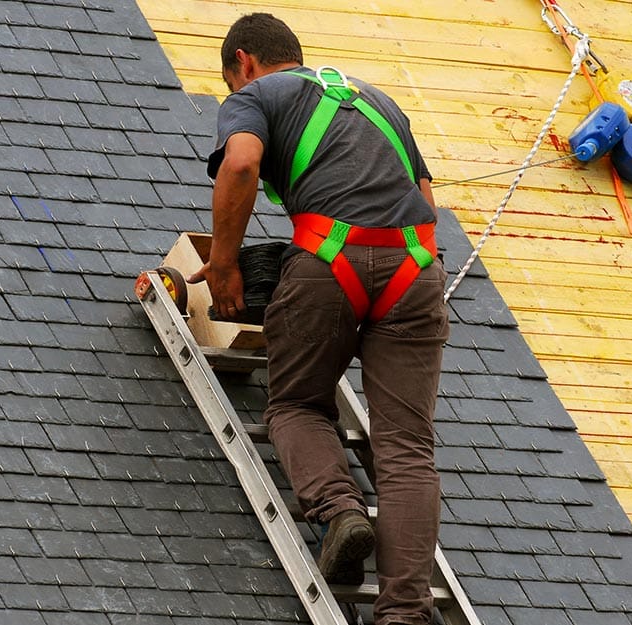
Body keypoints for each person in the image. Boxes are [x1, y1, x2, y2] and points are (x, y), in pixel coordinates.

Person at [187, 13, 450, 625]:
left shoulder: (255, 96)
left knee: (297, 405)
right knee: (407, 448)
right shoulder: (379, 102)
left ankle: (339, 510)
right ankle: (405, 612)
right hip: (416, 270)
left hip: (330, 259)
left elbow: (241, 165)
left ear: (243, 62)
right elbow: (426, 203)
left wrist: (223, 264)